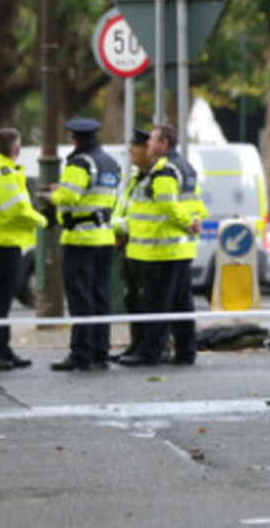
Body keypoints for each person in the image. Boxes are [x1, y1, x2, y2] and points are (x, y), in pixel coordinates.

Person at [118, 124, 205, 366]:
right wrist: (194, 221)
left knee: (157, 305)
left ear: (163, 144)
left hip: (160, 250)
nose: (147, 146)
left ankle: (150, 352)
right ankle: (186, 351)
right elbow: (197, 203)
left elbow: (167, 204)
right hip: (181, 248)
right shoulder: (186, 168)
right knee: (181, 304)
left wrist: (188, 222)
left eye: (152, 141)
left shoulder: (164, 170)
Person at [48, 118, 122, 372]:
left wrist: (53, 193)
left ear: (75, 139)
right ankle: (101, 352)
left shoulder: (80, 162)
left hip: (80, 238)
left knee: (81, 299)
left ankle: (81, 353)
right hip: (104, 237)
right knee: (101, 297)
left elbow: (68, 195)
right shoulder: (111, 163)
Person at [0, 127, 48, 372]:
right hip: (3, 244)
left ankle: (2, 349)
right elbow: (17, 210)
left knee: (1, 300)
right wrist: (43, 220)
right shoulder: (4, 174)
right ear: (16, 150)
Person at [110, 128, 153, 361]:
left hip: (146, 251)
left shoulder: (153, 178)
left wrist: (122, 228)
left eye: (135, 146)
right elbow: (119, 211)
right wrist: (119, 228)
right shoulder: (134, 179)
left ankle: (147, 348)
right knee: (132, 299)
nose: (130, 151)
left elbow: (144, 216)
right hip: (130, 249)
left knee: (146, 301)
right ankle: (136, 345)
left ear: (149, 149)